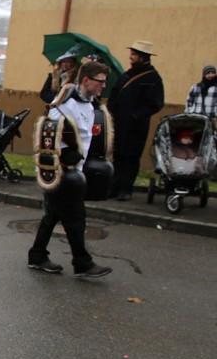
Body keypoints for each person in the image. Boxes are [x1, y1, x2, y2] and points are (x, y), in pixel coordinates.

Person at [27, 61, 112, 279]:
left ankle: (37, 255)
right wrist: (64, 155)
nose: (103, 86)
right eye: (100, 81)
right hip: (62, 172)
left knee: (53, 215)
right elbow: (48, 135)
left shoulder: (91, 105)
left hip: (77, 170)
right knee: (76, 217)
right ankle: (82, 262)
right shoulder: (64, 106)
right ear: (86, 80)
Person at [109, 40, 164, 201]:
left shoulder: (153, 78)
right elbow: (115, 93)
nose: (130, 57)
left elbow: (155, 104)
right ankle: (114, 186)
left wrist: (136, 115)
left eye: (134, 54)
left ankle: (126, 189)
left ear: (143, 57)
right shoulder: (126, 75)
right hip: (119, 123)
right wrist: (111, 109)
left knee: (131, 158)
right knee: (118, 156)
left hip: (135, 126)